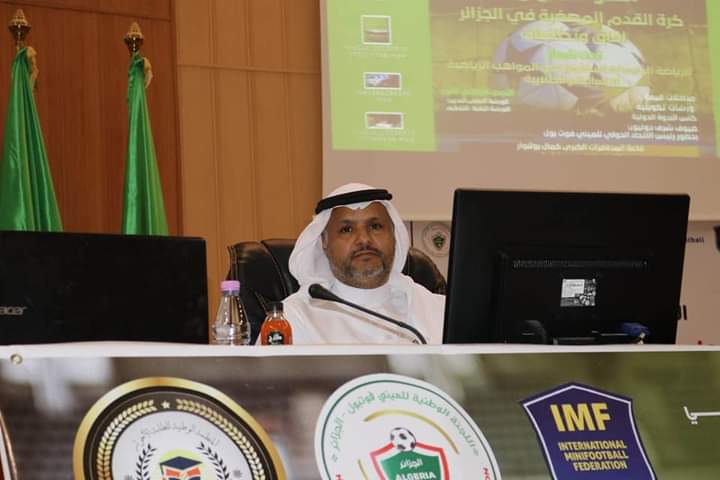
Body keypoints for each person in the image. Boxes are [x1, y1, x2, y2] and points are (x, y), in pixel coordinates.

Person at [282, 183, 445, 344]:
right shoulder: (294, 319)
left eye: (375, 226)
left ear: (394, 234)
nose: (364, 239)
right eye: (347, 230)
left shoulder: (437, 311)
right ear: (324, 241)